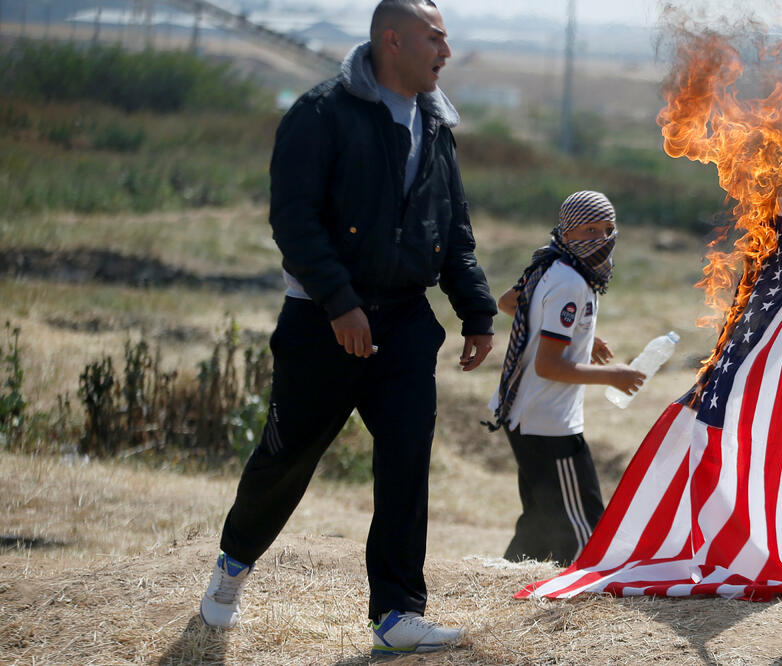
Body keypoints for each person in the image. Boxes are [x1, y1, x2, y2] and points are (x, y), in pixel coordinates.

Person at [199, 1, 497, 658]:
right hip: (319, 323)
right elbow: (294, 219)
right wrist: (338, 302)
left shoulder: (437, 123)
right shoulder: (321, 113)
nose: (446, 52)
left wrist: (475, 311)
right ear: (393, 41)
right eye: (434, 38)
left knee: (405, 464)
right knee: (286, 457)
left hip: (404, 327)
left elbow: (453, 232)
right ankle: (233, 565)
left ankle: (397, 613)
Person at [487, 191, 646, 566]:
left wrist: (576, 335)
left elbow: (510, 302)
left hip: (526, 416)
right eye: (589, 229)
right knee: (584, 531)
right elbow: (549, 367)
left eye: (608, 229)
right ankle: (574, 607)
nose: (601, 238)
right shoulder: (570, 281)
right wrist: (613, 376)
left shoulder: (553, 263)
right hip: (548, 424)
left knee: (541, 524)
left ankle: (506, 590)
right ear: (567, 231)